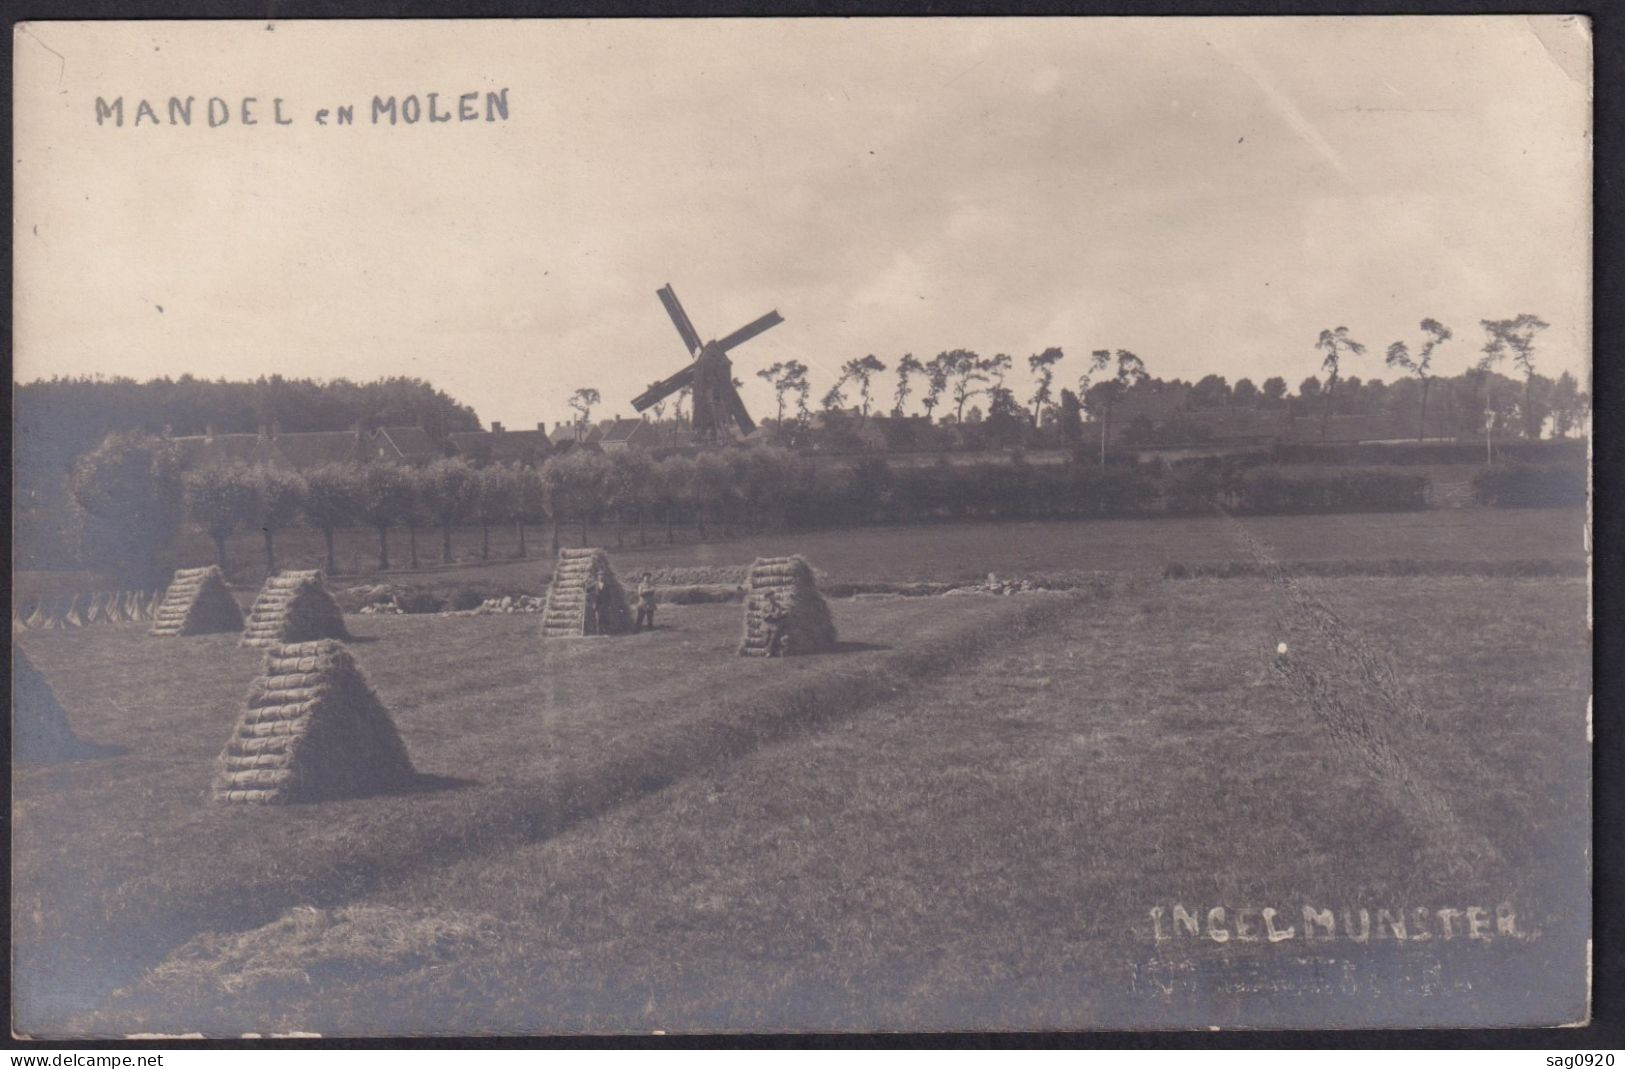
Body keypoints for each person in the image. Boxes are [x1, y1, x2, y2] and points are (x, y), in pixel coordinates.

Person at [760, 589, 791, 658]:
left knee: (773, 637)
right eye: (768, 597)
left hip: (775, 624)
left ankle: (769, 652)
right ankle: (768, 650)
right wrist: (768, 615)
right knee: (765, 637)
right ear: (766, 598)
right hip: (766, 624)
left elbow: (777, 614)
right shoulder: (764, 606)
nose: (770, 598)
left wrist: (771, 615)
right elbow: (762, 614)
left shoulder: (777, 605)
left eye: (771, 596)